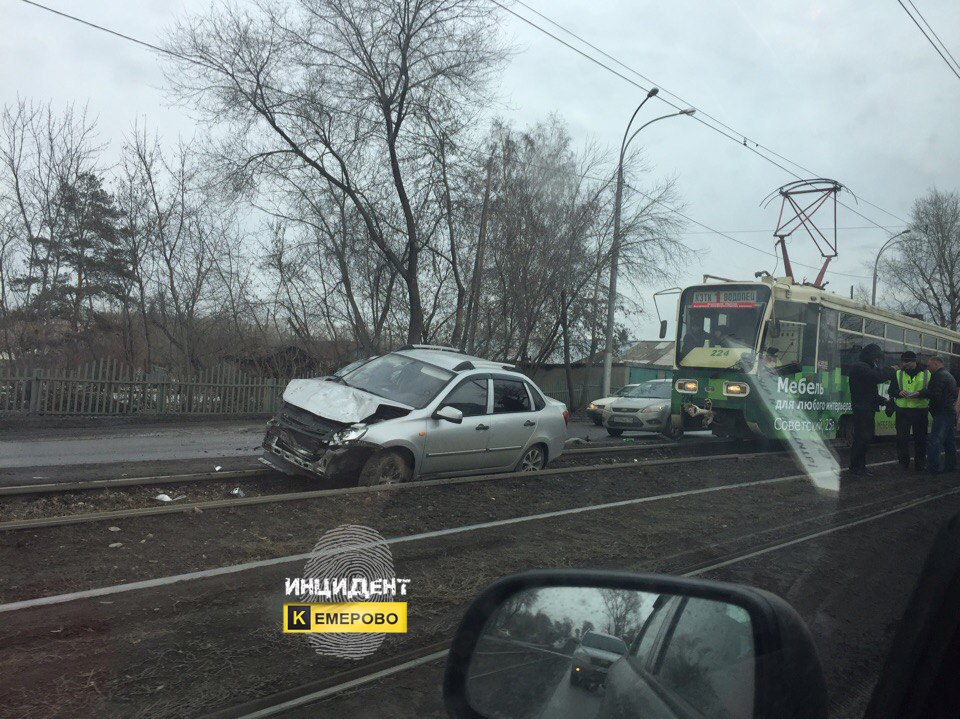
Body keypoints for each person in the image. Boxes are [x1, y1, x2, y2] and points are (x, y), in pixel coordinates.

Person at [847, 343, 897, 476]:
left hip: (866, 409)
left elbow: (871, 393)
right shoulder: (860, 367)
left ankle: (860, 467)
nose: (877, 361)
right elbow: (877, 378)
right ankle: (856, 468)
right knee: (862, 439)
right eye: (876, 358)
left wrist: (884, 401)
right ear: (871, 356)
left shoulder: (864, 368)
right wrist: (891, 370)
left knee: (864, 439)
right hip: (863, 410)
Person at [887, 351, 930, 471]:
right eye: (903, 361)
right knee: (901, 438)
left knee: (921, 438)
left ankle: (920, 463)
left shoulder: (927, 374)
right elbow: (891, 390)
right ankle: (903, 462)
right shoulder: (898, 374)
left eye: (907, 361)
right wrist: (899, 393)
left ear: (914, 361)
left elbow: (932, 391)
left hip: (920, 410)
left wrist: (920, 393)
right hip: (903, 410)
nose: (904, 364)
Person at [919, 355, 958, 475]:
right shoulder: (949, 376)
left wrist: (920, 393)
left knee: (935, 441)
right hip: (949, 412)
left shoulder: (938, 376)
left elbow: (934, 394)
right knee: (949, 441)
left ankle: (932, 468)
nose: (928, 368)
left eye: (929, 365)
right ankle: (951, 467)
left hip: (941, 413)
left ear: (936, 364)